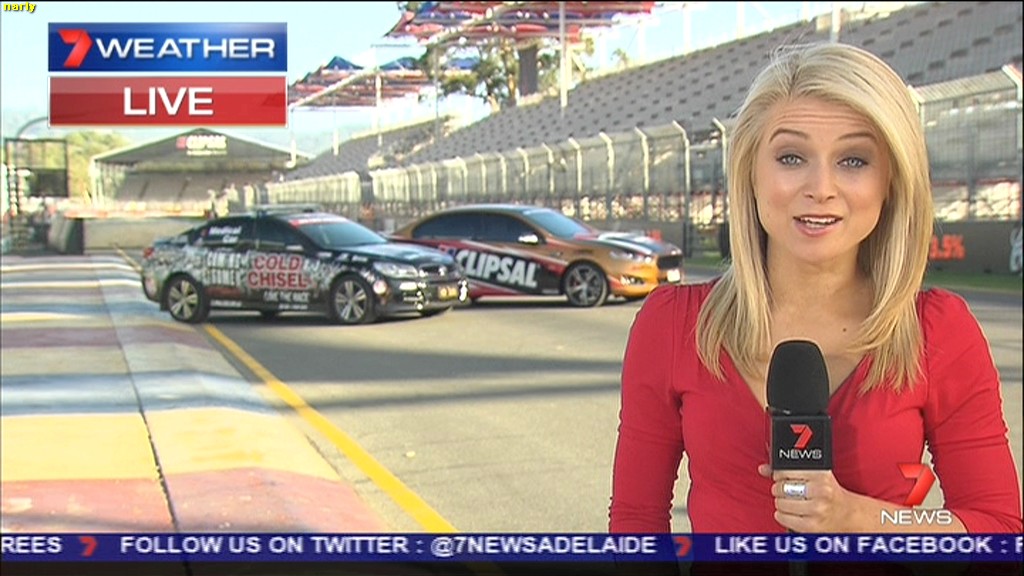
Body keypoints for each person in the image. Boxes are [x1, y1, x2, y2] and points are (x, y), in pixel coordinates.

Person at [609, 42, 1022, 534]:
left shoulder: (939, 331)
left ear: (891, 180)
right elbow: (636, 525)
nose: (821, 187)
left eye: (853, 160)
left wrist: (861, 516)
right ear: (750, 173)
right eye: (791, 157)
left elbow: (997, 529)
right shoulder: (672, 325)